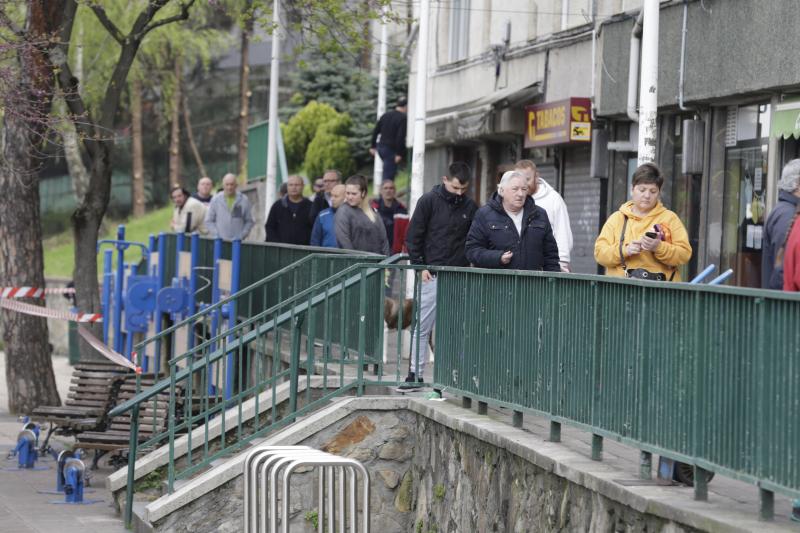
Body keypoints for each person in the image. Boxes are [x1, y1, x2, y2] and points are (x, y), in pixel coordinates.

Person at [402, 161, 478, 389]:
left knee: (454, 327)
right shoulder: (428, 201)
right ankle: (415, 373)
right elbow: (414, 235)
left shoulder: (470, 207)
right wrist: (420, 266)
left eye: (464, 189)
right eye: (455, 188)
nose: (460, 193)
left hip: (458, 274)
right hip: (431, 274)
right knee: (423, 326)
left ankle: (451, 376)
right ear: (445, 180)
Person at [594, 162, 691, 280]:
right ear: (632, 189)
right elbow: (599, 254)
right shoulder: (617, 218)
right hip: (620, 292)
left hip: (660, 293)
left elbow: (684, 255)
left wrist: (659, 247)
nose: (647, 195)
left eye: (653, 191)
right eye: (642, 189)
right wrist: (625, 250)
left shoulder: (670, 218)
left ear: (659, 193)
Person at [465, 170, 560, 271]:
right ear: (501, 191)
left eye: (524, 189)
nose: (520, 194)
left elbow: (551, 254)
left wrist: (553, 281)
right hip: (496, 283)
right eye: (515, 189)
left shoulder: (539, 214)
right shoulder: (484, 215)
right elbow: (472, 251)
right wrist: (498, 257)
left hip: (533, 283)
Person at [515, 159, 573, 271]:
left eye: (527, 179)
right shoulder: (512, 199)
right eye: (519, 179)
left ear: (536, 176)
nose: (523, 184)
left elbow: (563, 233)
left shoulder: (553, 200)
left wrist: (562, 263)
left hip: (547, 268)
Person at [762, 159, 800, 289]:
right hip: (780, 305)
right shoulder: (787, 215)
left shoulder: (784, 211)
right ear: (797, 184)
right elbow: (782, 270)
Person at [334, 175, 390, 255]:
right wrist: (355, 262)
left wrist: (386, 263)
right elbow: (344, 242)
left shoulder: (373, 211)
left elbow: (384, 240)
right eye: (347, 193)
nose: (350, 197)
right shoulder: (343, 211)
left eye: (354, 194)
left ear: (363, 193)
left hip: (377, 263)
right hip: (357, 264)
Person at [265, 175, 314, 245]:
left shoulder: (311, 206)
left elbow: (315, 230)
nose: (294, 187)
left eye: (297, 185)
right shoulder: (278, 206)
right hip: (280, 250)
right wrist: (277, 244)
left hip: (304, 250)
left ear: (303, 186)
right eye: (291, 185)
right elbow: (269, 227)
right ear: (287, 187)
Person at [204, 173, 254, 241]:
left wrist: (242, 235)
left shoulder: (244, 200)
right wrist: (217, 234)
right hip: (220, 243)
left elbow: (249, 221)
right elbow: (208, 221)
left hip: (238, 243)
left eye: (232, 184)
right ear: (223, 185)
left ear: (236, 185)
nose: (229, 187)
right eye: (227, 184)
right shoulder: (215, 200)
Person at [369, 97, 407, 182]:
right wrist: (399, 153)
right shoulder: (402, 118)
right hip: (391, 150)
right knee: (388, 176)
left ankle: (383, 193)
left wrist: (372, 146)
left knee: (387, 172)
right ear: (405, 106)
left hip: (381, 147)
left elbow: (376, 130)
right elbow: (400, 137)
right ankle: (384, 195)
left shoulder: (385, 115)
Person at [371, 180, 407, 250]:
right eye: (385, 188)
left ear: (395, 191)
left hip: (394, 252)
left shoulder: (402, 210)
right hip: (375, 250)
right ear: (381, 191)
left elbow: (406, 234)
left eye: (391, 188)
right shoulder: (373, 209)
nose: (388, 191)